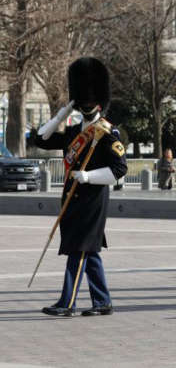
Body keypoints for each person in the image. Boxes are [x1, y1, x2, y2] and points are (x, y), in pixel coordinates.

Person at [32, 57, 128, 317]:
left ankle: (67, 302)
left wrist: (88, 176)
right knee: (89, 253)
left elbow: (120, 170)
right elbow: (40, 138)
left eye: (89, 102)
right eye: (81, 102)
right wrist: (62, 113)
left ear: (99, 103)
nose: (86, 106)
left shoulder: (108, 133)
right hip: (72, 199)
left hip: (92, 200)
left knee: (80, 251)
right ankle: (102, 301)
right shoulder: (74, 131)